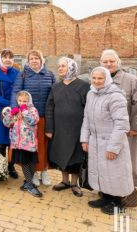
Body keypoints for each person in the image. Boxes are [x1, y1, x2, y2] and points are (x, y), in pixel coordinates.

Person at [81, 67, 134, 214]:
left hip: (111, 140)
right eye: (94, 78)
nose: (97, 81)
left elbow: (122, 123)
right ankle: (105, 196)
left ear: (107, 79)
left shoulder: (115, 96)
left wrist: (113, 147)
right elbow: (86, 118)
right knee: (101, 170)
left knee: (114, 172)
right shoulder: (91, 94)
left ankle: (117, 202)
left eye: (100, 78)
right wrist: (84, 139)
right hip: (96, 141)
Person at [100, 49, 137, 207]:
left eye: (111, 61)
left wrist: (136, 127)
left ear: (117, 62)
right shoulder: (98, 80)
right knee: (106, 163)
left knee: (126, 164)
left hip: (125, 132)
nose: (108, 64)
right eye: (105, 62)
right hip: (105, 132)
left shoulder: (131, 80)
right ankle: (106, 194)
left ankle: (125, 198)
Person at [45, 57, 90, 197]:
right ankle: (64, 181)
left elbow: (88, 109)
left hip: (77, 129)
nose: (60, 68)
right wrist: (49, 128)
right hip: (59, 129)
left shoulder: (83, 86)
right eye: (59, 66)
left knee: (76, 156)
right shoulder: (55, 87)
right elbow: (49, 108)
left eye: (63, 66)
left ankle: (74, 184)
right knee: (61, 153)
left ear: (72, 67)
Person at [11, 49, 56, 187]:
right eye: (31, 59)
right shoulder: (23, 75)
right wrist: (15, 110)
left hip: (44, 117)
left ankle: (44, 171)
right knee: (31, 147)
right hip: (27, 119)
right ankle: (34, 172)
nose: (34, 61)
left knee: (44, 146)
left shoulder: (49, 74)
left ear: (42, 60)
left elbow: (54, 95)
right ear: (28, 61)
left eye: (37, 58)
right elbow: (15, 92)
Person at [2, 91, 42, 197]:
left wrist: (24, 111)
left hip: (29, 142)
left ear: (29, 100)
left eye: (24, 101)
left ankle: (28, 183)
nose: (22, 103)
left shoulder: (32, 110)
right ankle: (29, 184)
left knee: (32, 163)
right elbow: (6, 123)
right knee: (24, 163)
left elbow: (33, 121)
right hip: (18, 143)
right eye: (20, 101)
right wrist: (10, 114)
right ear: (17, 100)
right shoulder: (15, 111)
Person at [0, 49, 20, 179]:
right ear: (1, 58)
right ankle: (0, 167)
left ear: (13, 60)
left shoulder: (18, 74)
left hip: (15, 112)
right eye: (5, 57)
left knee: (12, 141)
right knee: (0, 141)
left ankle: (11, 166)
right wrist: (8, 103)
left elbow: (20, 91)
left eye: (10, 57)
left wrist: (14, 105)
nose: (8, 59)